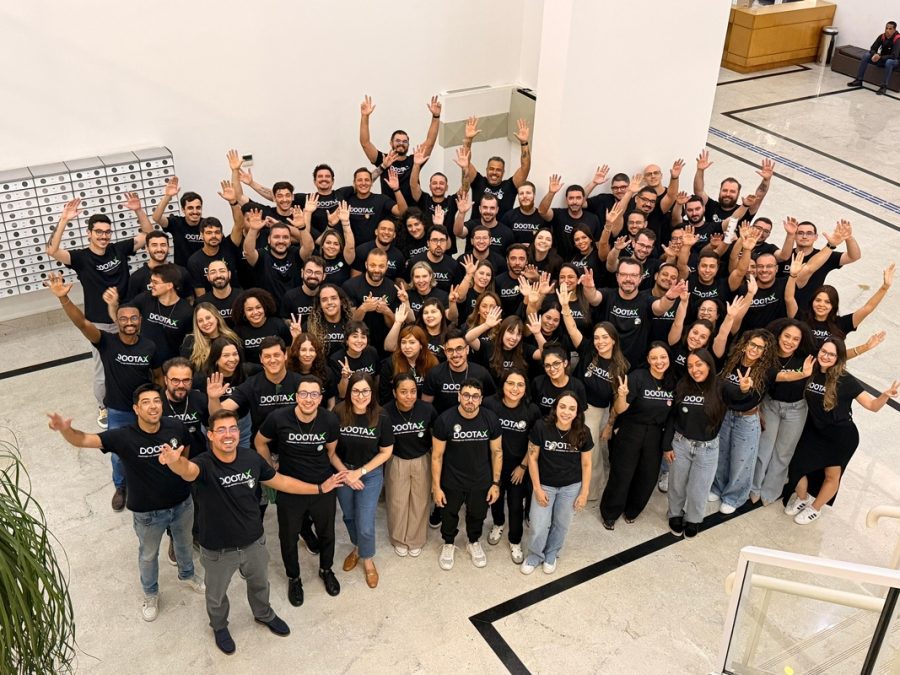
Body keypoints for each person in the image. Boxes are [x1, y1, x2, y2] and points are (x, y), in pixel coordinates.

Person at [158, 408, 344, 655]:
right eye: (221, 430)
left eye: (232, 428)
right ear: (210, 435)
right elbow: (187, 470)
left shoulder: (251, 459)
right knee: (216, 595)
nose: (228, 434)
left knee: (260, 584)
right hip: (218, 549)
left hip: (253, 542)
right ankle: (220, 626)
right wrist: (175, 461)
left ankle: (263, 613)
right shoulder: (203, 464)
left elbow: (281, 482)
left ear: (239, 431)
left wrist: (319, 488)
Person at [47, 384, 204, 622]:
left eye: (156, 401)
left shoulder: (176, 427)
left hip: (182, 504)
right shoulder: (123, 436)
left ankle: (188, 575)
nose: (153, 406)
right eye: (146, 402)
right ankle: (151, 594)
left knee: (184, 544)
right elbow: (84, 440)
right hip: (148, 513)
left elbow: (186, 452)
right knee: (148, 555)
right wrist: (65, 430)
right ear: (136, 409)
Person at [45, 271, 161, 510]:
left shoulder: (150, 346)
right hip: (118, 410)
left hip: (145, 410)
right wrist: (63, 298)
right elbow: (82, 323)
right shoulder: (107, 342)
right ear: (117, 321)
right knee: (118, 454)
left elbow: (158, 376)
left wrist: (158, 404)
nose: (129, 322)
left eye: (134, 318)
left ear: (140, 321)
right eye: (124, 319)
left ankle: (150, 482)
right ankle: (121, 486)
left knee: (152, 448)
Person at [46, 197, 148, 428]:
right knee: (103, 369)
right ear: (89, 234)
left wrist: (139, 211)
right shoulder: (81, 258)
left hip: (126, 319)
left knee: (135, 360)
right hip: (99, 324)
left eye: (107, 232)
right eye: (99, 232)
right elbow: (52, 250)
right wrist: (63, 220)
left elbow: (148, 235)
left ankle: (138, 400)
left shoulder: (118, 249)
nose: (104, 236)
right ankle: (104, 406)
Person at [784, 338, 899, 524]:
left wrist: (884, 396)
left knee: (832, 475)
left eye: (832, 354)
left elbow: (872, 406)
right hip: (814, 431)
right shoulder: (810, 370)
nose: (826, 356)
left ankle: (815, 508)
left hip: (840, 436)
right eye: (823, 351)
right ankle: (802, 498)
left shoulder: (845, 380)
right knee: (796, 466)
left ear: (838, 358)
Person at [255, 376, 343, 605]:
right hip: (290, 488)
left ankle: (326, 569)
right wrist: (270, 467)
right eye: (303, 393)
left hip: (323, 486)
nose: (308, 399)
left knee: (327, 533)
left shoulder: (329, 420)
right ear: (296, 396)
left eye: (314, 394)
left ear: (320, 398)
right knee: (288, 536)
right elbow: (259, 441)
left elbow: (331, 452)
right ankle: (294, 577)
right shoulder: (278, 417)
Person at [600, 342, 675, 529]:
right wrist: (622, 396)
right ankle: (610, 512)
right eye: (654, 357)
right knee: (622, 474)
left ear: (669, 358)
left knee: (647, 477)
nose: (659, 361)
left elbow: (672, 416)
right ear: (648, 359)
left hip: (656, 434)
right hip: (631, 430)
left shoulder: (673, 381)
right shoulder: (637, 377)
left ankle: (632, 510)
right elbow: (620, 409)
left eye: (663, 357)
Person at [432, 379, 502, 571]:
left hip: (481, 480)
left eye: (475, 396)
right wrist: (436, 486)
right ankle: (448, 543)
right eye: (466, 395)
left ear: (481, 399)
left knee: (478, 515)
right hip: (451, 480)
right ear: (459, 396)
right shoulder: (444, 420)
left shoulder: (490, 419)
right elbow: (437, 456)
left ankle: (473, 542)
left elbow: (497, 452)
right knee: (449, 514)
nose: (470, 400)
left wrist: (495, 483)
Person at [332, 373, 394, 588]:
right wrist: (347, 474)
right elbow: (330, 451)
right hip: (343, 472)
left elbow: (386, 452)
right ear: (349, 392)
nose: (360, 396)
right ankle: (358, 548)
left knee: (365, 523)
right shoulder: (338, 412)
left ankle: (367, 560)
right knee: (349, 517)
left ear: (372, 392)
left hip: (370, 473)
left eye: (365, 391)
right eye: (356, 391)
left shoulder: (381, 416)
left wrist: (359, 472)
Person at [521, 392, 593, 574]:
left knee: (561, 524)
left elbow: (586, 464)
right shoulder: (541, 427)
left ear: (577, 412)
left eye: (572, 408)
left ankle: (551, 553)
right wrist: (537, 488)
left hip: (570, 487)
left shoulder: (583, 432)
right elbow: (532, 458)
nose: (566, 412)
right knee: (538, 524)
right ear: (555, 408)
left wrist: (584, 492)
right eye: (562, 406)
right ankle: (535, 555)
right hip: (545, 485)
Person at [662, 350, 728, 538]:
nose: (694, 369)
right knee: (677, 484)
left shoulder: (721, 387)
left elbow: (741, 399)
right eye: (690, 366)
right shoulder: (682, 385)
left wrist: (746, 389)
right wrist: (667, 445)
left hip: (707, 448)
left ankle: (694, 519)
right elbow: (672, 417)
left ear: (709, 365)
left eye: (699, 364)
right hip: (681, 444)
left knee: (699, 488)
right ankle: (675, 514)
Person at [711, 329, 777, 514]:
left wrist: (744, 389)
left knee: (742, 460)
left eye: (760, 348)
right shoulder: (732, 361)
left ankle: (734, 497)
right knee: (721, 454)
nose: (754, 349)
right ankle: (717, 488)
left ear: (765, 352)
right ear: (745, 344)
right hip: (725, 415)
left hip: (747, 419)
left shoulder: (767, 371)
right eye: (752, 344)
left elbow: (752, 398)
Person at [751, 318, 816, 506]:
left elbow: (833, 356)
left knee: (783, 453)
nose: (790, 342)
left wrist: (864, 347)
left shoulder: (806, 357)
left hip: (796, 409)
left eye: (795, 339)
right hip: (770, 405)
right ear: (778, 335)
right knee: (763, 449)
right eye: (787, 336)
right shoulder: (767, 356)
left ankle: (770, 491)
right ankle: (754, 487)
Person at [483, 369, 542, 564]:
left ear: (525, 388)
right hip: (494, 465)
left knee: (516, 505)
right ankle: (498, 523)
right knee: (496, 499)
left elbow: (534, 442)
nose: (515, 388)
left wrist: (523, 467)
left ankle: (515, 540)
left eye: (520, 384)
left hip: (518, 468)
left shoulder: (532, 410)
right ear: (503, 385)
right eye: (510, 383)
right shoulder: (490, 404)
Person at [572, 322, 629, 500]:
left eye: (605, 337)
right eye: (597, 337)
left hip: (594, 411)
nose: (600, 341)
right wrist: (565, 309)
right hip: (571, 406)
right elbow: (572, 329)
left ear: (614, 340)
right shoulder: (589, 351)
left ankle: (592, 491)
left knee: (591, 452)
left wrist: (609, 426)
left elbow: (616, 404)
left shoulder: (620, 367)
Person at [383, 373, 437, 558]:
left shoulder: (427, 409)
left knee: (420, 501)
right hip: (396, 459)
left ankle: (416, 539)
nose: (409, 396)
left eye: (413, 391)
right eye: (403, 392)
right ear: (394, 393)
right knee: (397, 502)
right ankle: (399, 539)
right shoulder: (385, 412)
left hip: (422, 459)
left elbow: (436, 436)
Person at [788, 263, 893, 354]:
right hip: (798, 369)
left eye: (827, 302)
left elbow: (867, 308)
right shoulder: (801, 317)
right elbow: (789, 298)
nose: (821, 304)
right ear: (812, 302)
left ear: (833, 305)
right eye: (818, 300)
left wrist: (884, 288)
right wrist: (793, 276)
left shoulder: (841, 323)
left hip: (828, 369)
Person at [358, 94, 442, 203]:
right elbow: (365, 143)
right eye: (397, 141)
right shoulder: (383, 159)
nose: (401, 143)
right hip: (390, 208)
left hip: (413, 209)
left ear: (408, 144)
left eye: (405, 141)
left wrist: (436, 117)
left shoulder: (415, 160)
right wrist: (365, 116)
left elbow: (430, 142)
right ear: (391, 143)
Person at [459, 116, 531, 214]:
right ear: (486, 170)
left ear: (503, 172)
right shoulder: (478, 182)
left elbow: (525, 168)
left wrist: (524, 143)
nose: (494, 172)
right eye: (491, 169)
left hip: (502, 224)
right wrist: (468, 139)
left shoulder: (510, 186)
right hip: (477, 224)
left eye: (498, 170)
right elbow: (465, 160)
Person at [200, 337, 257, 448]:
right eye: (226, 355)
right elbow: (216, 416)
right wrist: (213, 398)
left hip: (242, 426)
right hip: (213, 428)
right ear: (216, 359)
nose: (232, 359)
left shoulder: (248, 372)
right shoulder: (203, 378)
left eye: (235, 354)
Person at [422, 329, 496, 414]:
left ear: (467, 349)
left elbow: (492, 402)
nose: (455, 354)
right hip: (443, 421)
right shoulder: (434, 374)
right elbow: (425, 407)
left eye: (459, 349)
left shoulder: (481, 373)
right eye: (450, 350)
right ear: (445, 352)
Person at [149, 177, 205, 265]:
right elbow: (156, 217)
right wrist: (167, 196)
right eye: (190, 208)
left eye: (198, 208)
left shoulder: (207, 225)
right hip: (181, 271)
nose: (195, 211)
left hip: (203, 270)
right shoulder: (176, 223)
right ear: (183, 210)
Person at [378, 323, 438, 404]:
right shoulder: (391, 363)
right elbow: (385, 395)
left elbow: (436, 392)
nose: (407, 347)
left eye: (412, 342)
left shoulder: (432, 362)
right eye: (403, 342)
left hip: (424, 407)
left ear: (421, 345)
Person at [185, 212, 243, 296]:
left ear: (221, 234)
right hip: (210, 302)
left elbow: (239, 225)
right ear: (201, 235)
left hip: (236, 298)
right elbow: (201, 296)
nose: (213, 236)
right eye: (209, 233)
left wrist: (233, 205)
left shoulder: (229, 247)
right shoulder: (194, 261)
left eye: (217, 232)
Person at [126, 229, 191, 301]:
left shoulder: (182, 272)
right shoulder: (136, 278)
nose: (159, 249)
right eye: (154, 245)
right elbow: (132, 305)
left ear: (168, 248)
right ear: (147, 249)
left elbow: (189, 299)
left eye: (163, 245)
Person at [231, 289, 292, 364]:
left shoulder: (278, 325)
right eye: (249, 309)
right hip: (251, 370)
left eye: (258, 307)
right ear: (243, 312)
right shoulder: (238, 331)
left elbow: (288, 350)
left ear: (264, 307)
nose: (255, 312)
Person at [180, 303, 240, 373]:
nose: (205, 323)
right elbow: (184, 368)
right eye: (200, 321)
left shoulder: (231, 338)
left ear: (216, 317)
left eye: (208, 318)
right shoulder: (191, 340)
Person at [286, 332, 339, 409]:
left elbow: (331, 400)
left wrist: (328, 415)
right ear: (297, 352)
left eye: (311, 350)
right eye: (303, 350)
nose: (307, 354)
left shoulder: (326, 372)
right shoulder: (288, 372)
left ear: (316, 352)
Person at [847, 20, 899, 95]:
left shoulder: (898, 39)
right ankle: (859, 80)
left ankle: (883, 87)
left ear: (894, 30)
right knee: (866, 55)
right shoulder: (882, 36)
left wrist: (880, 57)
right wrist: (875, 54)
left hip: (895, 61)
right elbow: (873, 48)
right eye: (886, 28)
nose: (887, 30)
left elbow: (894, 56)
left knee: (889, 62)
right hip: (882, 58)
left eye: (890, 29)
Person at [306, 283, 354, 358]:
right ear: (320, 305)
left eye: (333, 298)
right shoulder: (310, 327)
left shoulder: (352, 325)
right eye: (324, 300)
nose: (329, 302)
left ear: (341, 301)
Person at [197, 260, 241, 326]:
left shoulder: (243, 297)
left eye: (222, 271)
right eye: (213, 272)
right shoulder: (201, 302)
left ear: (229, 274)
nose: (218, 275)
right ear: (208, 277)